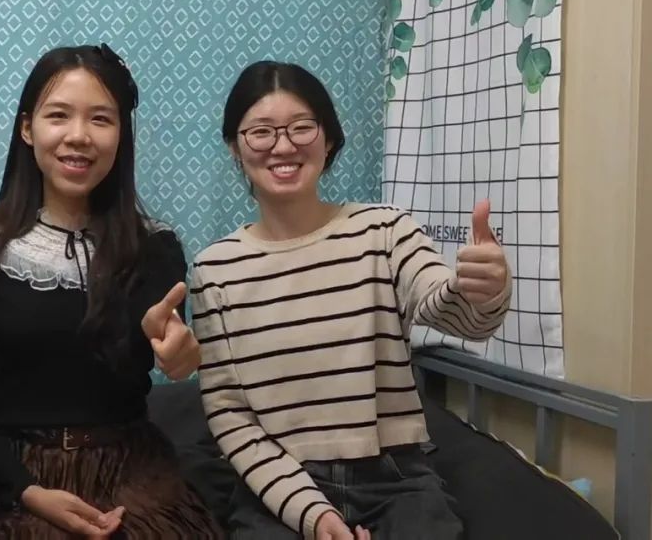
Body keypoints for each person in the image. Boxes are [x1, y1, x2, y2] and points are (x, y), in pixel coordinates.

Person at [191, 61, 512, 540]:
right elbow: (230, 415)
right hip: (279, 487)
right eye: (261, 132)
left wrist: (483, 290)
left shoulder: (386, 230)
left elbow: (452, 310)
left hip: (395, 480)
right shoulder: (214, 269)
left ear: (329, 139)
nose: (283, 145)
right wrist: (312, 514)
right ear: (235, 147)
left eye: (302, 127)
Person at [0, 44, 222, 538]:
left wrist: (181, 355)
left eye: (100, 119)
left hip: (131, 468)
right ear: (27, 129)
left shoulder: (154, 246)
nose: (78, 136)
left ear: (121, 134)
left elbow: (168, 334)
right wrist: (27, 489)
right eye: (58, 116)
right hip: (11, 476)